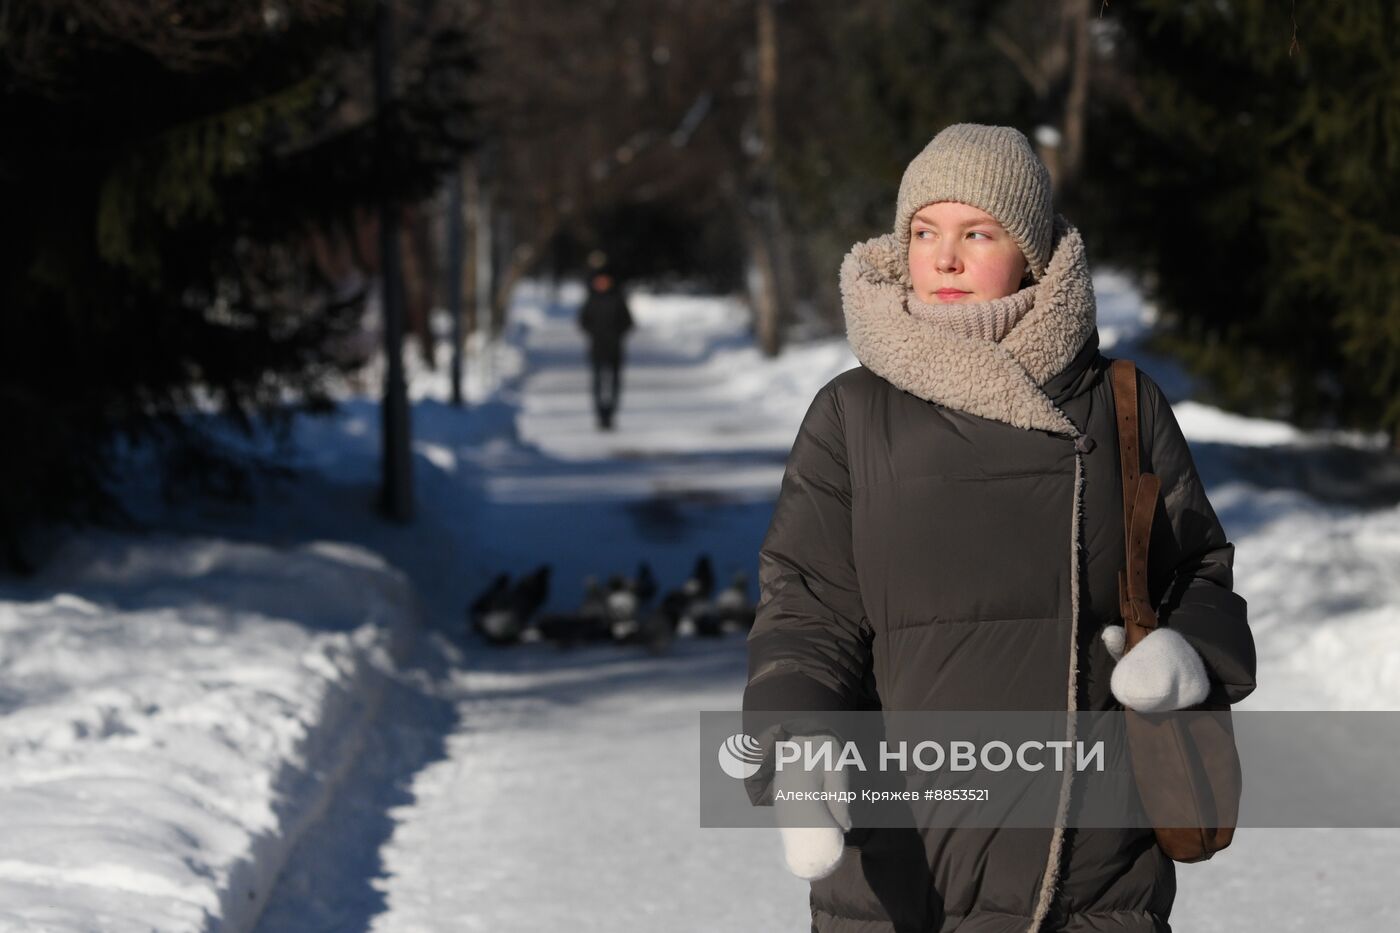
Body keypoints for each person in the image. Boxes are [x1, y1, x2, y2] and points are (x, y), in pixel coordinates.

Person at [742, 124, 1257, 932]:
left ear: (1031, 251)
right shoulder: (851, 415)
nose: (943, 258)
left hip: (1094, 872)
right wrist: (800, 741)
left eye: (976, 233)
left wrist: (1186, 653)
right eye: (924, 232)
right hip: (900, 863)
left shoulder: (1120, 406)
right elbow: (809, 608)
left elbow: (1198, 570)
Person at [577, 270, 634, 430]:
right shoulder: (591, 300)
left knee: (615, 383)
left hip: (615, 348)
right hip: (597, 347)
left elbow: (628, 322)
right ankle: (600, 414)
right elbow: (583, 321)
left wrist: (616, 333)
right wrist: (595, 332)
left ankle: (611, 413)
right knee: (598, 382)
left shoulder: (617, 299)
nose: (602, 284)